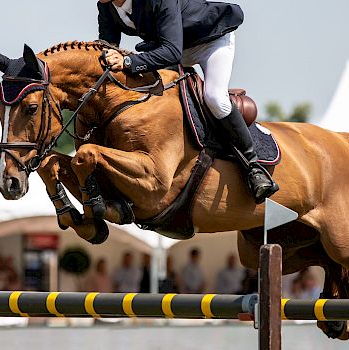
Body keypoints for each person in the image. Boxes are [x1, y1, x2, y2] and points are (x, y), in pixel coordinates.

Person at [97, 0, 279, 204]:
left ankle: (254, 167)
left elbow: (172, 52)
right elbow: (106, 45)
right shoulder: (106, 6)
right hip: (171, 48)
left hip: (210, 42)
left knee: (214, 98)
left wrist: (129, 61)